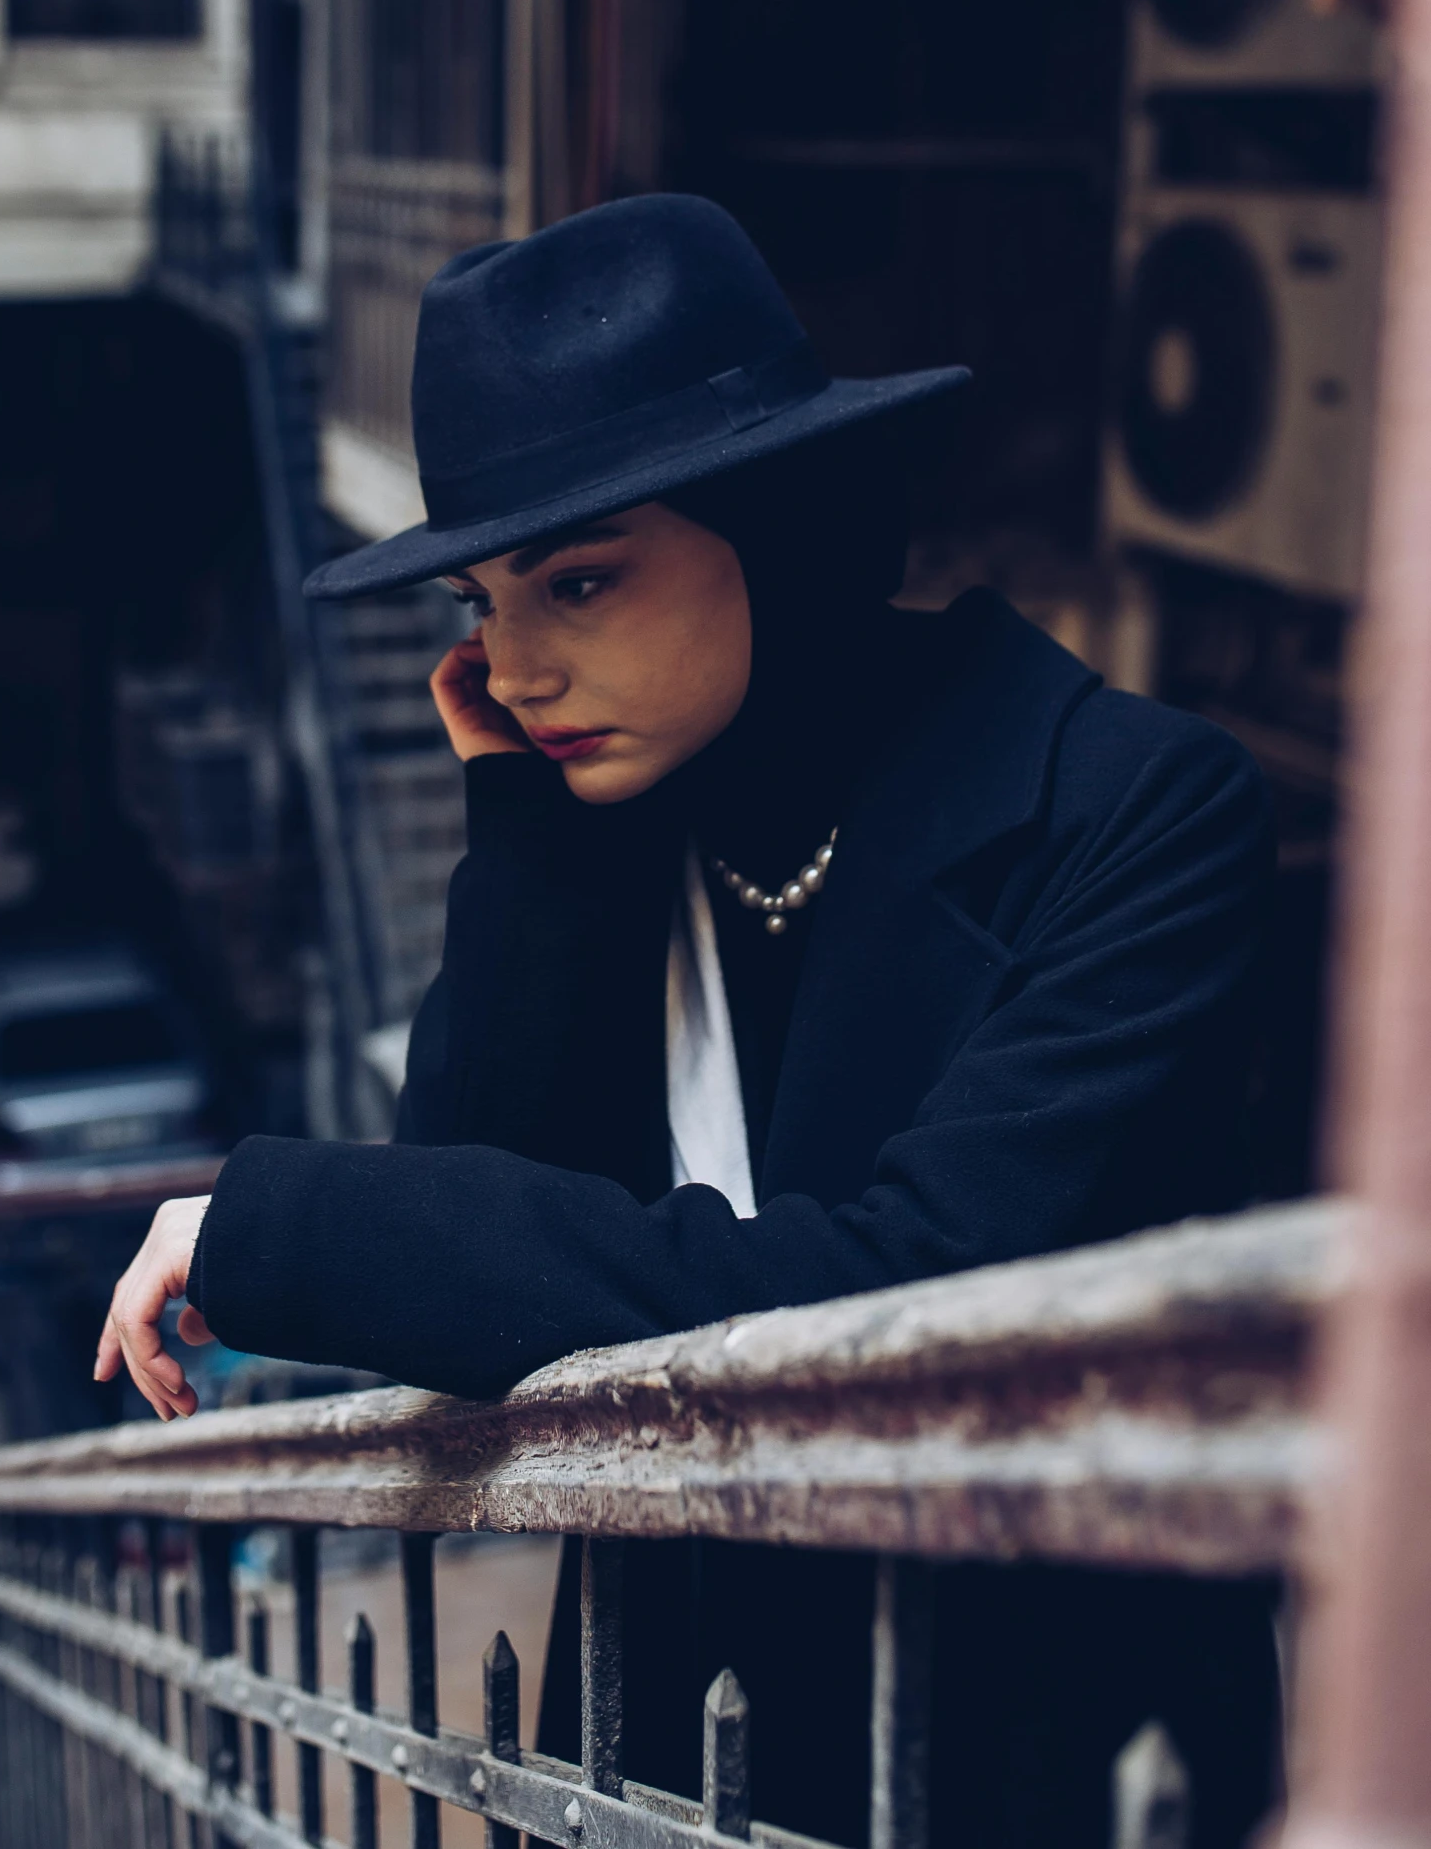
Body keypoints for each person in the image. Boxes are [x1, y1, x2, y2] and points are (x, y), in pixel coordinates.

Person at [96, 195, 1280, 1849]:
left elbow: (888, 1314)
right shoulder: (619, 831)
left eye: (578, 582)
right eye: (483, 607)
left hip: (1039, 1757)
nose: (512, 666)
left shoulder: (1135, 815)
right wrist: (527, 842)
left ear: (780, 524)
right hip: (674, 1762)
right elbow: (482, 1234)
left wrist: (281, 1218)